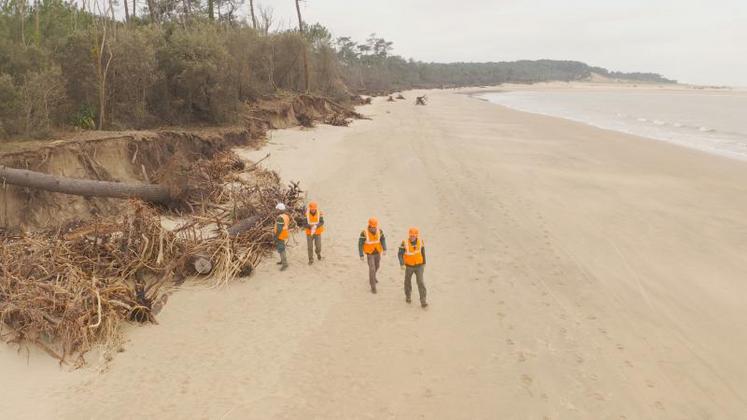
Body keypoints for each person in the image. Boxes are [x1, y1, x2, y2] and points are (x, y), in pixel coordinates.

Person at [398, 227, 428, 308]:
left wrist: (424, 262)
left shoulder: (421, 242)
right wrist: (402, 264)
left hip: (419, 266)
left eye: (414, 236)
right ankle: (408, 296)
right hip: (409, 266)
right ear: (409, 235)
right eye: (411, 236)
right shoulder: (404, 243)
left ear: (416, 236)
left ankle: (423, 300)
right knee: (407, 282)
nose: (412, 237)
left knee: (421, 282)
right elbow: (400, 254)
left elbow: (423, 252)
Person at [358, 217, 387, 294]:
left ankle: (373, 277)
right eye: (372, 227)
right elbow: (360, 244)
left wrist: (384, 248)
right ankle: (373, 287)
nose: (374, 228)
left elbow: (383, 239)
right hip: (369, 254)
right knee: (372, 269)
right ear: (369, 226)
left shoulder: (379, 231)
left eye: (375, 227)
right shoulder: (364, 233)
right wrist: (361, 254)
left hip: (378, 252)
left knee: (377, 266)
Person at [274, 203, 290, 271]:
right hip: (284, 234)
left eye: (277, 209)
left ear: (280, 210)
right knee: (281, 248)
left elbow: (279, 229)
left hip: (280, 235)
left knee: (281, 249)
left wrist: (276, 236)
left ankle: (285, 264)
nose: (276, 211)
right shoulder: (286, 216)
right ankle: (282, 261)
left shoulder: (280, 218)